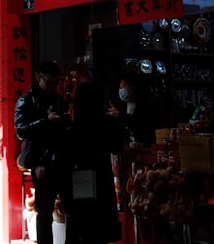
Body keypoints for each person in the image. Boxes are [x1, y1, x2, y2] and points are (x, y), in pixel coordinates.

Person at [14, 61, 70, 244]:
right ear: (39, 78)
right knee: (44, 212)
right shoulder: (26, 100)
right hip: (41, 163)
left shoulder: (59, 100)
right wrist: (46, 121)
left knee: (70, 209)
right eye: (50, 82)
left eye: (57, 83)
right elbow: (21, 130)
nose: (54, 87)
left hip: (63, 160)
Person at [62, 82, 124, 244]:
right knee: (100, 225)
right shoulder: (107, 122)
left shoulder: (75, 125)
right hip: (102, 175)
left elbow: (67, 155)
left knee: (82, 221)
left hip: (80, 177)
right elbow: (117, 147)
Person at [107, 75, 157, 147]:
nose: (121, 90)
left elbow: (140, 123)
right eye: (120, 87)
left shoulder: (144, 106)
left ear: (133, 87)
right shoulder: (122, 107)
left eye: (124, 86)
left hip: (143, 148)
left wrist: (120, 115)